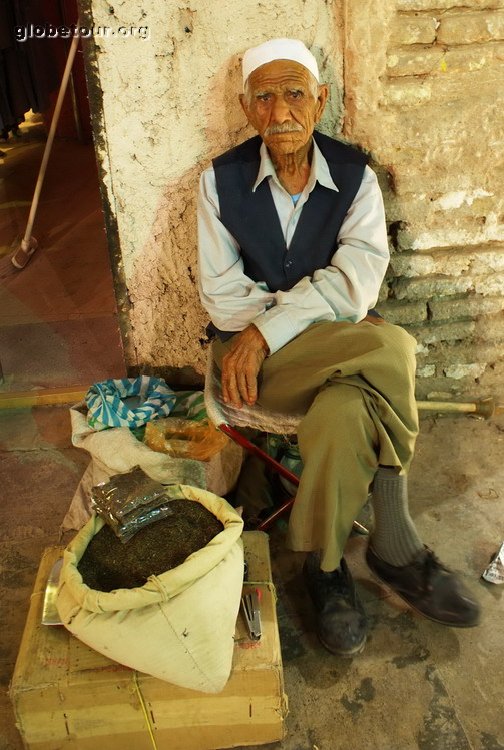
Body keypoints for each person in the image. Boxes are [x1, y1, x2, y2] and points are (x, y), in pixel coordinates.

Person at [197, 38, 480, 656]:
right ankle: (396, 544)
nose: (280, 113)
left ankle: (326, 569)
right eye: (264, 98)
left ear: (319, 100)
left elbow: (358, 282)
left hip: (316, 355)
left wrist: (272, 322)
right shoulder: (219, 182)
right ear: (247, 109)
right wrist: (311, 315)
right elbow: (223, 300)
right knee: (395, 350)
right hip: (252, 370)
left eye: (294, 94)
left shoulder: (354, 179)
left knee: (346, 409)